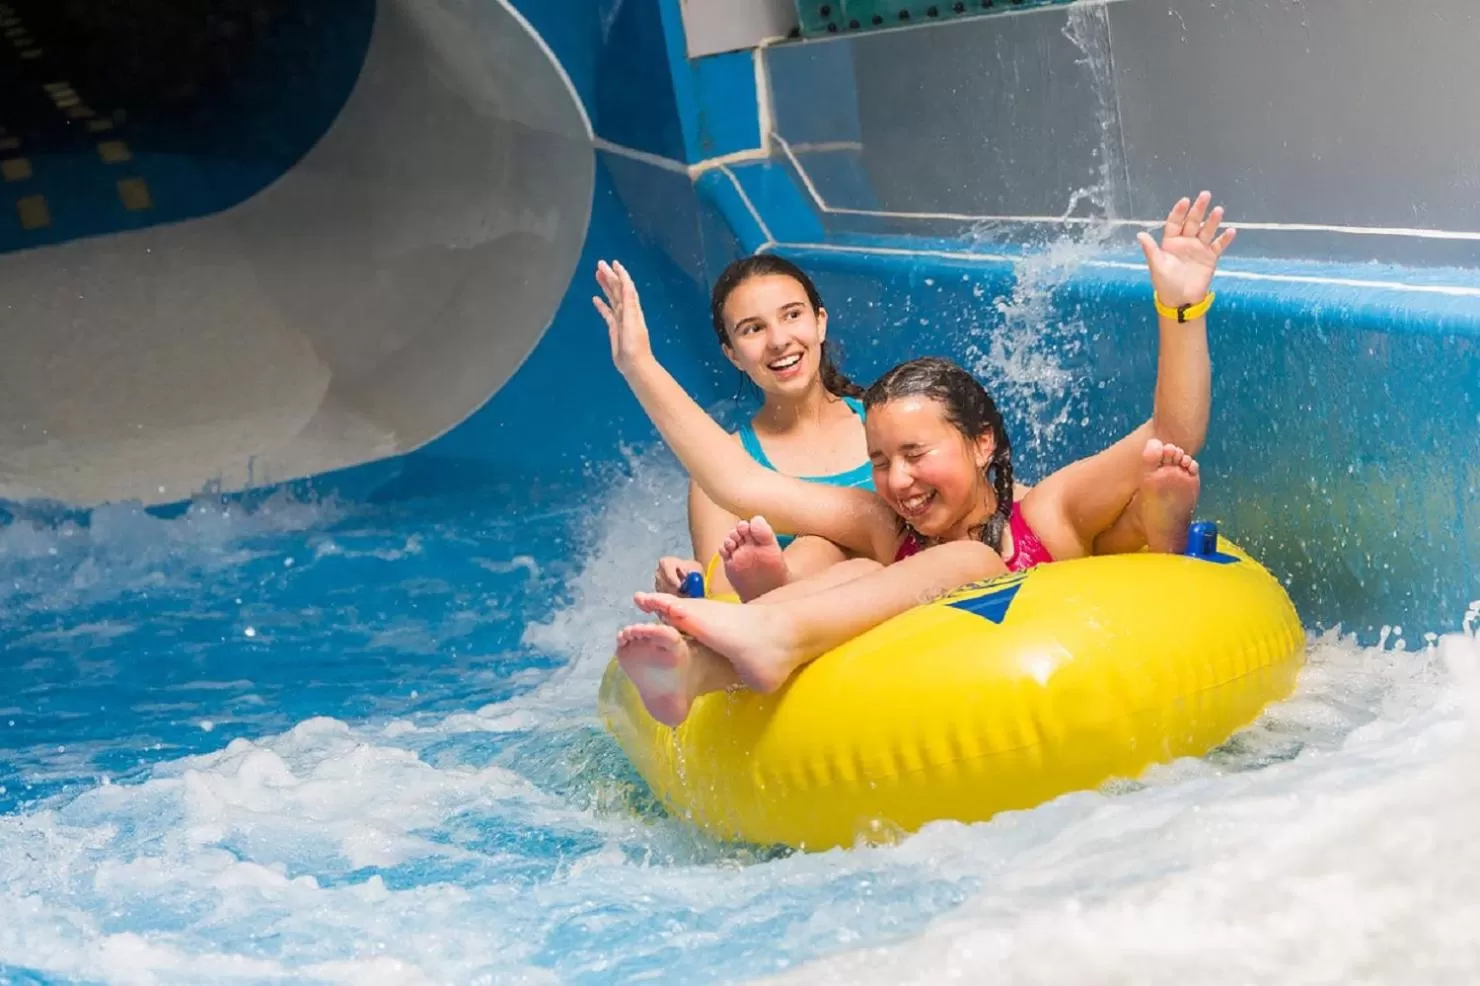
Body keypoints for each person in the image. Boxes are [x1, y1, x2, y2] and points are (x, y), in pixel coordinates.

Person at [594, 192, 1235, 727]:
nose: (897, 482)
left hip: (1066, 703)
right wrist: (638, 367)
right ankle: (717, 659)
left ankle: (771, 626)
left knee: (972, 558)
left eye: (915, 455)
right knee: (830, 558)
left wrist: (1182, 310)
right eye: (878, 461)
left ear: (982, 442)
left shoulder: (1050, 513)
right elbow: (736, 480)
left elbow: (1172, 432)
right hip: (909, 706)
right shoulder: (882, 525)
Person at [653, 255, 874, 602]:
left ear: (820, 322)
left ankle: (781, 580)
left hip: (907, 607)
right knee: (813, 549)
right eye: (753, 329)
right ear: (733, 355)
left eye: (792, 315)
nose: (778, 340)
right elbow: (723, 599)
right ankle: (779, 581)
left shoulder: (886, 421)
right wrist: (688, 583)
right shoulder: (721, 467)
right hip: (804, 631)